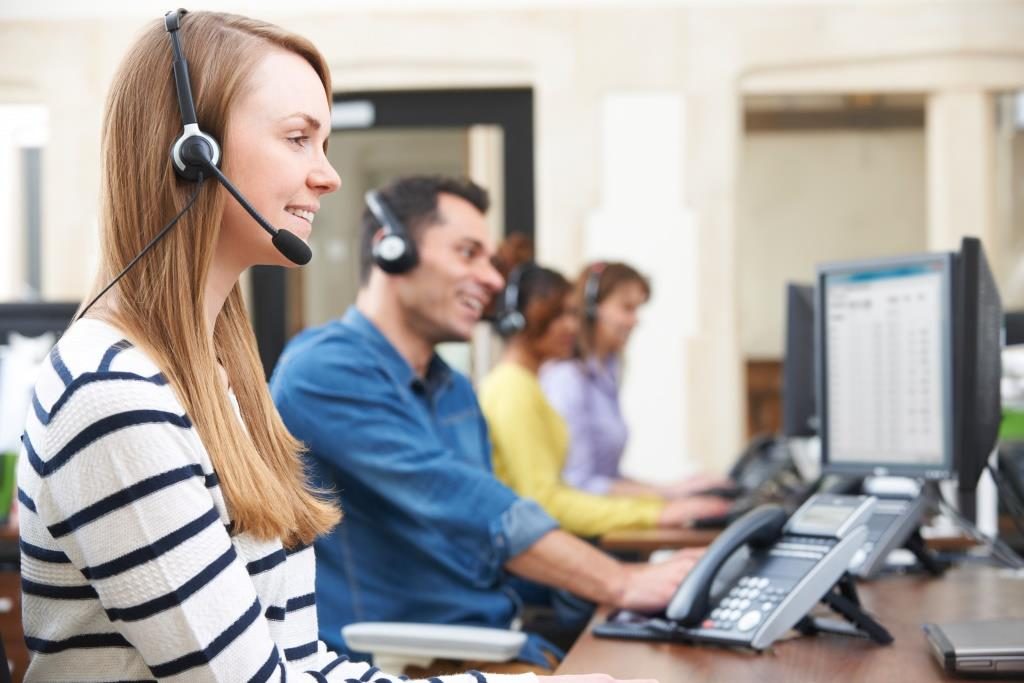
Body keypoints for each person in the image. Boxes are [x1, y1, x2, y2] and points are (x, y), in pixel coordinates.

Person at [16, 11, 639, 683]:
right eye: (297, 138)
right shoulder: (116, 397)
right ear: (194, 152)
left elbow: (302, 662)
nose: (328, 176)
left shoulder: (217, 381)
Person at [270, 175, 703, 673]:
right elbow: (474, 509)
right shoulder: (324, 371)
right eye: (468, 253)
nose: (495, 280)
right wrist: (619, 582)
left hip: (492, 638)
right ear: (390, 249)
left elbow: (484, 540)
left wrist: (603, 590)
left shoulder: (453, 388)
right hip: (411, 660)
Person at [479, 265, 730, 538]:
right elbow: (546, 502)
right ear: (525, 320)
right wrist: (657, 511)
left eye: (574, 315)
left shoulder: (528, 384)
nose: (573, 327)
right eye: (561, 315)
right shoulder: (514, 389)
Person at [540, 262, 731, 500]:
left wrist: (677, 489)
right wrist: (669, 493)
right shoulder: (566, 379)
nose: (635, 320)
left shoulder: (606, 373)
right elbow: (578, 484)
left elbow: (608, 477)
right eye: (627, 308)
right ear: (591, 309)